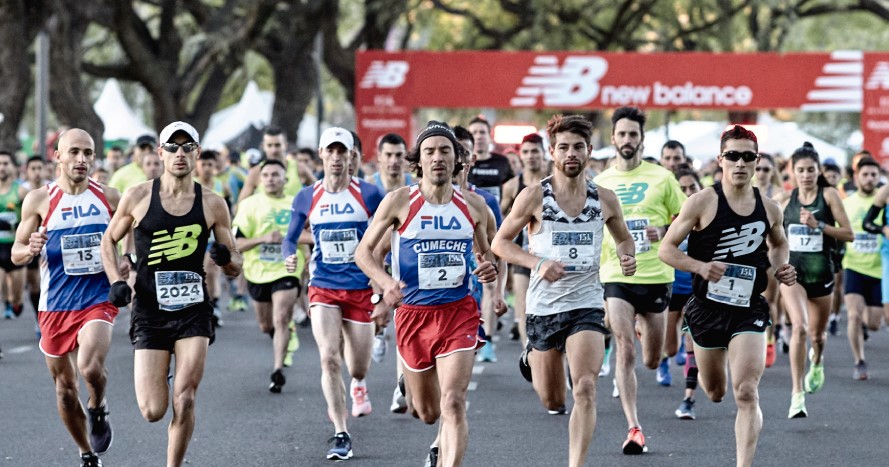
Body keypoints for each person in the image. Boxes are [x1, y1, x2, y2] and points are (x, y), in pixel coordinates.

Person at [492, 114, 636, 467]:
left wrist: (626, 256)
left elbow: (624, 239)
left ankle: (576, 463)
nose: (571, 153)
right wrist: (538, 262)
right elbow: (500, 243)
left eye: (578, 147)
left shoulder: (605, 199)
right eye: (563, 147)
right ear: (552, 152)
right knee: (553, 400)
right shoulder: (533, 196)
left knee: (585, 388)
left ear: (589, 151)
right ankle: (532, 356)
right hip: (543, 308)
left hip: (586, 304)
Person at [99, 121, 242, 467]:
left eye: (187, 147)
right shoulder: (138, 196)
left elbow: (236, 264)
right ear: (160, 153)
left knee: (186, 397)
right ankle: (159, 371)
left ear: (196, 153)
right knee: (152, 410)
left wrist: (225, 259)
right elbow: (108, 240)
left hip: (194, 310)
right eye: (173, 147)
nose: (180, 153)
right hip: (150, 309)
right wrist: (115, 280)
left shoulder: (213, 203)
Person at [355, 120, 497, 467]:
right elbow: (363, 252)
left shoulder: (475, 205)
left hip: (458, 312)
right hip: (413, 316)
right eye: (429, 152)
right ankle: (410, 387)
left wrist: (490, 270)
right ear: (418, 160)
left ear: (457, 159)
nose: (437, 158)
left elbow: (489, 254)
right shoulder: (399, 201)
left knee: (453, 402)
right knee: (429, 413)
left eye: (445, 151)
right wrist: (385, 283)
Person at [659, 125, 797, 467]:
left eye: (748, 156)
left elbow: (779, 243)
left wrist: (781, 266)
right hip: (706, 309)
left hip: (748, 308)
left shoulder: (770, 208)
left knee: (746, 392)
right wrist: (700, 267)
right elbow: (666, 249)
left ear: (757, 161)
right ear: (721, 159)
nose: (740, 163)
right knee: (716, 392)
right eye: (733, 155)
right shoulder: (702, 202)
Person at [12, 129, 123, 467]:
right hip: (55, 304)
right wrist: (29, 248)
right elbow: (17, 251)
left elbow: (132, 232)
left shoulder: (110, 197)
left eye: (88, 153)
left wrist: (128, 261)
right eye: (73, 152)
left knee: (89, 367)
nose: (81, 159)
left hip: (97, 297)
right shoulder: (39, 200)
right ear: (57, 156)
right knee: (64, 390)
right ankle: (86, 452)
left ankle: (98, 407)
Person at [282, 127, 385, 460]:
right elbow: (290, 237)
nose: (337, 158)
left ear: (352, 156)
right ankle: (341, 432)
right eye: (332, 151)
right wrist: (289, 255)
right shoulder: (307, 196)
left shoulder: (369, 194)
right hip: (323, 285)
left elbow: (389, 232)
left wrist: (383, 278)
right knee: (328, 357)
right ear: (322, 154)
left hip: (360, 288)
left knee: (358, 366)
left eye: (344, 152)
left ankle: (358, 384)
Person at [593, 106, 686, 454]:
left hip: (656, 275)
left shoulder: (662, 177)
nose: (627, 139)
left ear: (642, 139)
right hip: (616, 273)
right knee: (625, 347)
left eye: (633, 134)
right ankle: (634, 427)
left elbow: (686, 217)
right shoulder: (601, 182)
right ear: (613, 138)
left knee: (652, 359)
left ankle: (641, 327)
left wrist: (664, 230)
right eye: (622, 134)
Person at [774, 142, 852, 418]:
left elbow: (849, 234)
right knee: (799, 327)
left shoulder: (829, 196)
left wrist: (818, 225)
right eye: (800, 170)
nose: (806, 175)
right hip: (793, 274)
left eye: (810, 170)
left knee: (817, 336)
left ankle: (817, 361)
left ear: (818, 171)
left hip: (821, 274)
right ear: (792, 172)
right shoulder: (784, 200)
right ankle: (797, 394)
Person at [232, 159, 304, 392]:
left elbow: (311, 233)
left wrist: (292, 242)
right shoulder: (249, 205)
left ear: (285, 179)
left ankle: (277, 369)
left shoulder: (297, 204)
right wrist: (263, 239)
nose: (270, 179)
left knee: (281, 317)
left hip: (287, 269)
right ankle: (282, 338)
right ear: (260, 179)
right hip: (257, 272)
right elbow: (237, 244)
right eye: (266, 175)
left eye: (275, 175)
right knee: (265, 325)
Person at [500, 132, 551, 346]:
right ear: (520, 155)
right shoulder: (513, 185)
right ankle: (527, 353)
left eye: (535, 151)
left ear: (544, 153)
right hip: (523, 253)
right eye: (526, 152)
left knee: (550, 308)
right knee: (523, 307)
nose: (530, 156)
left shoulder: (555, 181)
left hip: (551, 254)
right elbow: (501, 218)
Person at [841, 157, 883, 380]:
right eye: (865, 174)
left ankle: (866, 326)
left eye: (873, 175)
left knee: (874, 324)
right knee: (854, 316)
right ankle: (859, 361)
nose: (869, 179)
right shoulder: (847, 203)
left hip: (879, 269)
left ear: (879, 177)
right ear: (856, 177)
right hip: (854, 266)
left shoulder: (883, 202)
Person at [667, 168, 702, 419]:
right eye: (682, 189)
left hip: (695, 290)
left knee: (692, 344)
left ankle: (688, 398)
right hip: (669, 287)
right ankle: (666, 356)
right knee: (668, 349)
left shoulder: (708, 217)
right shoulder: (666, 217)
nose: (688, 193)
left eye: (692, 188)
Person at [0, 151, 28, 319]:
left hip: (15, 246)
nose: (2, 167)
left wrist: (15, 225)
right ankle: (6, 304)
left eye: (5, 163)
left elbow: (32, 219)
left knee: (17, 295)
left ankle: (15, 302)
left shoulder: (21, 192)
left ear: (12, 167)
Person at [466, 116, 514, 203]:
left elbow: (512, 188)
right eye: (474, 133)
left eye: (482, 132)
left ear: (490, 137)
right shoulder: (463, 163)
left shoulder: (502, 161)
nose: (478, 136)